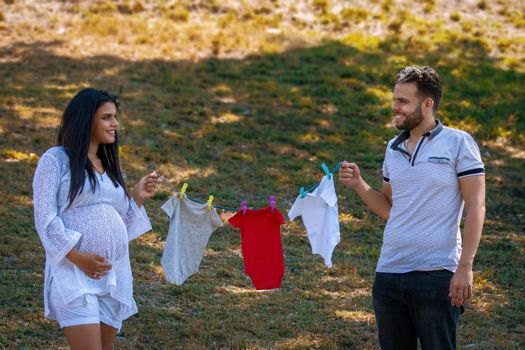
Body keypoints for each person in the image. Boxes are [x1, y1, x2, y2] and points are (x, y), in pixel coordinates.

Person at [339, 66, 485, 350]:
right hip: (389, 273)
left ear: (427, 104)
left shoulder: (458, 143)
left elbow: (476, 206)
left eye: (403, 101)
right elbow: (392, 208)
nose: (396, 107)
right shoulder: (393, 148)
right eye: (395, 100)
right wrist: (359, 184)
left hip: (437, 273)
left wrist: (465, 267)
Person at [32, 88, 158, 350]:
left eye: (114, 117)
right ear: (86, 119)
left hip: (114, 275)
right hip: (75, 272)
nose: (115, 124)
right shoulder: (56, 160)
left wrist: (137, 197)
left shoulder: (107, 165)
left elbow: (119, 224)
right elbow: (46, 219)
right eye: (107, 117)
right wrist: (79, 258)